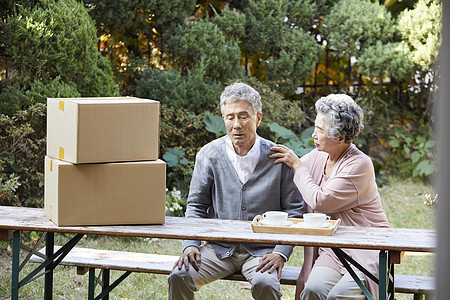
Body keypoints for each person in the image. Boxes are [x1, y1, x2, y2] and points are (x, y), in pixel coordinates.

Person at [168, 82, 305, 300]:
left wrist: (280, 252)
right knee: (179, 275)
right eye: (230, 117)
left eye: (243, 116)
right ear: (223, 119)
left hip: (262, 252)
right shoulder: (209, 155)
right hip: (219, 249)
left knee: (265, 283)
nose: (236, 124)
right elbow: (196, 206)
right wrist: (190, 245)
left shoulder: (278, 159)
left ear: (258, 118)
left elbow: (295, 212)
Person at [270, 94, 389, 300]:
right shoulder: (321, 156)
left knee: (337, 296)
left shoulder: (359, 165)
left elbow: (320, 200)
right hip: (334, 251)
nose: (314, 135)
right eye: (315, 127)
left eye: (320, 130)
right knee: (312, 290)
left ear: (340, 138)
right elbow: (290, 169)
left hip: (367, 250)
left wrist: (297, 166)